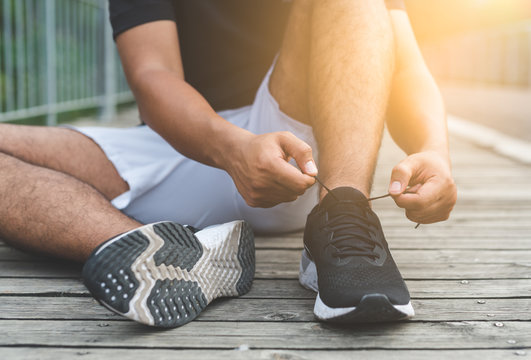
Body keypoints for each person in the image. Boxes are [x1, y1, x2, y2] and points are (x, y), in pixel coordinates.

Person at [0, 0, 456, 327]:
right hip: (187, 138)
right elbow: (153, 73)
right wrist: (231, 149)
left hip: (298, 151)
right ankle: (172, 256)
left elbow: (404, 65)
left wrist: (435, 148)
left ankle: (342, 221)